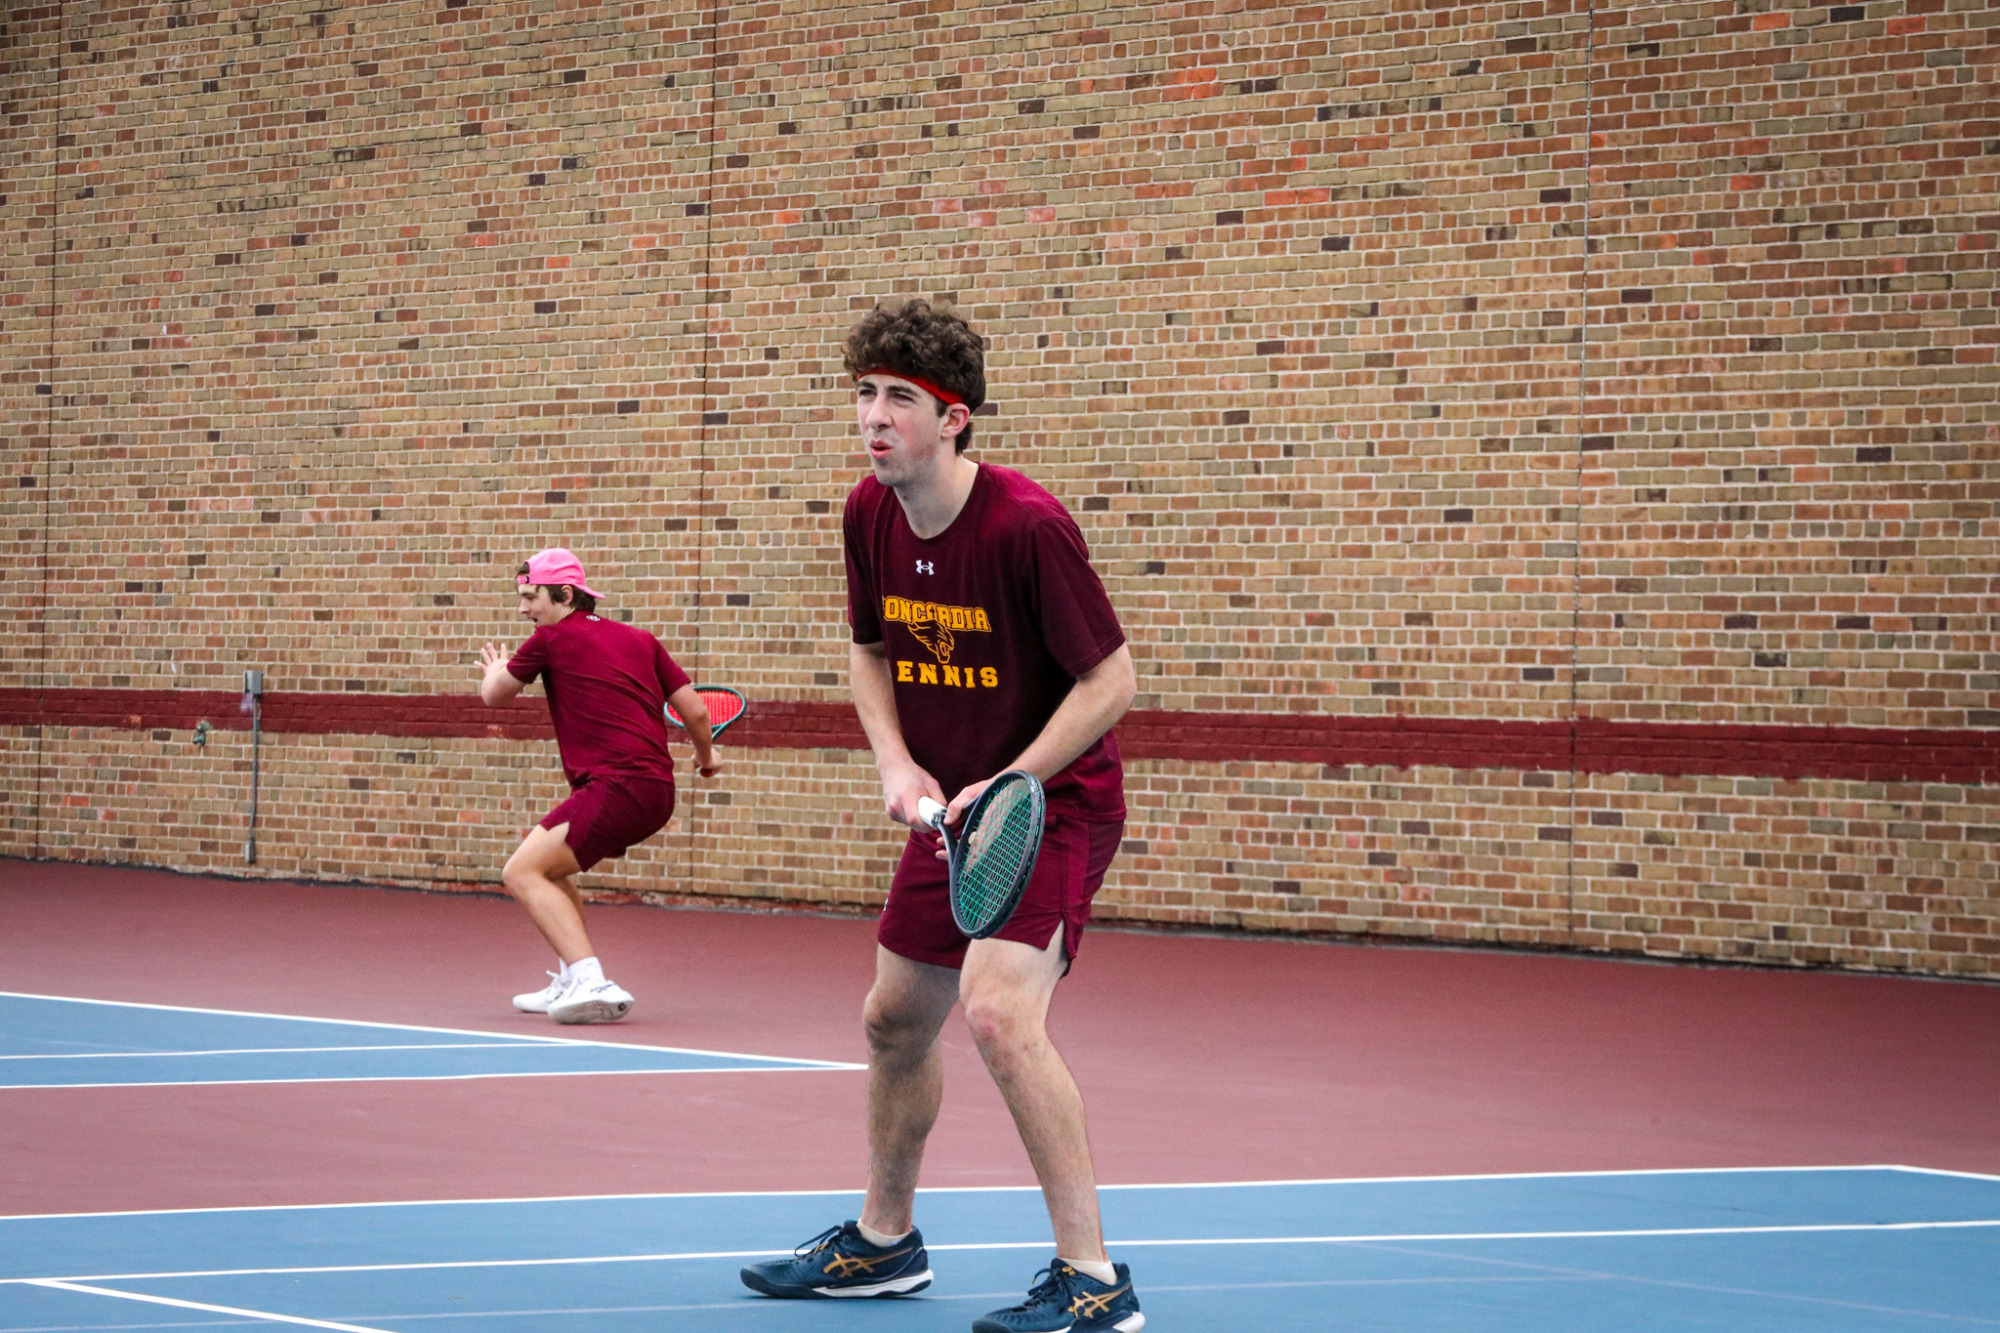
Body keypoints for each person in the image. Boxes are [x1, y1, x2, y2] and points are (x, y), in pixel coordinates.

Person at [740, 301, 1143, 1332]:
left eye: (899, 400)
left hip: (1049, 804)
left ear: (954, 418)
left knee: (1001, 1014)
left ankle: (1092, 1280)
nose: (874, 417)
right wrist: (894, 757)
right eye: (864, 394)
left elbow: (1109, 679)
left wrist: (1011, 780)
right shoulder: (866, 514)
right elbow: (869, 649)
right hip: (948, 806)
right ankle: (883, 1245)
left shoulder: (1027, 526)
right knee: (892, 1020)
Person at [476, 547, 718, 1024]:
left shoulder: (549, 639)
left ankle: (592, 981)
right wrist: (707, 758)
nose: (523, 608)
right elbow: (696, 712)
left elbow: (495, 698)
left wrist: (492, 672)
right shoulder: (641, 639)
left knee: (519, 871)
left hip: (616, 787)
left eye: (531, 597)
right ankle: (571, 976)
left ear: (565, 595)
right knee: (549, 867)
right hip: (654, 791)